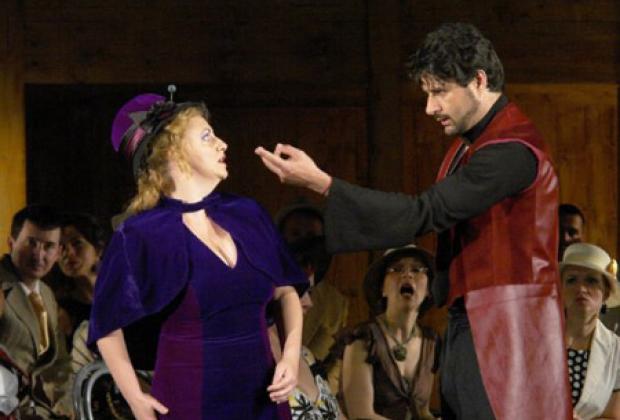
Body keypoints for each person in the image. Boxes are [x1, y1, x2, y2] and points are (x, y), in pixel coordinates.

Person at [256, 22, 570, 419]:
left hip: (508, 327)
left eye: (439, 92)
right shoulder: (469, 146)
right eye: (427, 93)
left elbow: (423, 213)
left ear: (479, 80)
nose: (429, 108)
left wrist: (322, 183)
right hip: (477, 320)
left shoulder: (510, 150)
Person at [87, 92, 307, 420]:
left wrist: (289, 357)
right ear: (172, 151)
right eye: (207, 136)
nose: (222, 144)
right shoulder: (140, 234)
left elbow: (286, 292)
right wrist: (135, 398)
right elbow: (106, 324)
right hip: (190, 399)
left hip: (263, 398)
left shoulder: (247, 214)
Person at [342, 245, 437, 420]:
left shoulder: (430, 343)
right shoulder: (364, 339)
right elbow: (361, 416)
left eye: (417, 270)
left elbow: (423, 411)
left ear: (428, 290)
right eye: (397, 269)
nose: (407, 275)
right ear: (382, 288)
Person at [0, 205, 73, 418]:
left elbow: (58, 363)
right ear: (11, 243)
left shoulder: (47, 294)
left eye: (48, 246)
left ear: (58, 252)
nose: (38, 255)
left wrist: (67, 408)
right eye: (31, 243)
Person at [269, 236, 344, 420]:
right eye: (300, 292)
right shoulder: (250, 358)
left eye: (309, 292)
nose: (308, 302)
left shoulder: (306, 355)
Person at [560, 243, 620, 419]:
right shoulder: (535, 340)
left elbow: (613, 417)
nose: (581, 289)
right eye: (572, 280)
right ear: (560, 289)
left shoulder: (617, 350)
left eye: (591, 280)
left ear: (606, 293)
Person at [57, 212, 108, 350]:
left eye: (77, 243)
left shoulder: (123, 294)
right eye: (61, 247)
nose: (69, 253)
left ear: (98, 250)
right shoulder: (61, 311)